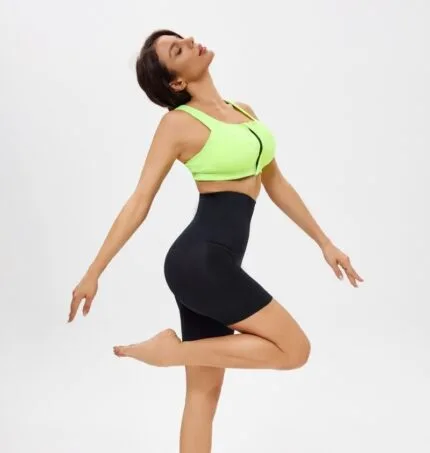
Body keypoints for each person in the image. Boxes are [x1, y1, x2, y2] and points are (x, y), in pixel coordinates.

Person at [68, 29, 363, 453]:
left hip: (213, 263)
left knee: (203, 396)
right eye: (178, 49)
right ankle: (168, 353)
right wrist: (93, 271)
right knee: (295, 350)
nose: (190, 41)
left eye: (182, 38)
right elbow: (139, 201)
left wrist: (324, 242)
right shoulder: (178, 124)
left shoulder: (244, 111)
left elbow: (277, 184)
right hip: (200, 263)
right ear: (176, 82)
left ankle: (171, 353)